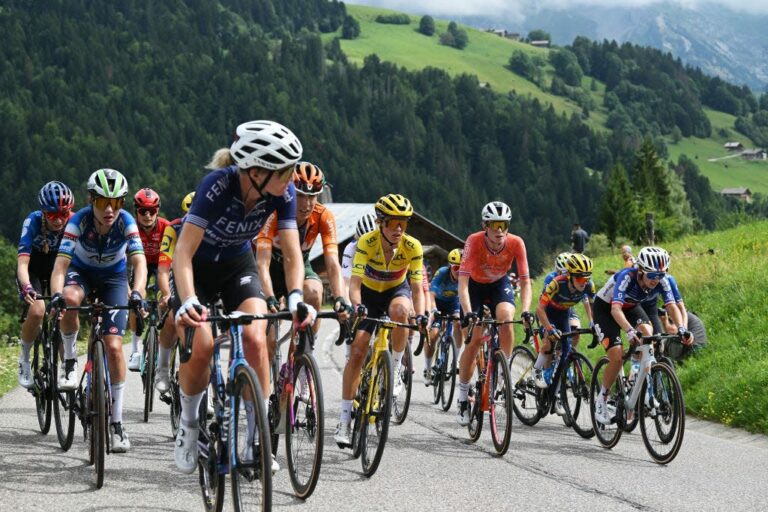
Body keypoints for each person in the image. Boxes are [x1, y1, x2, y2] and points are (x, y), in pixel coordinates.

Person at [172, 120, 314, 475]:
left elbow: (293, 253)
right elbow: (183, 253)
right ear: (256, 171)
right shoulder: (217, 187)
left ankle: (256, 438)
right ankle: (189, 425)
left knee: (256, 336)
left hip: (237, 265)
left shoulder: (283, 193)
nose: (291, 178)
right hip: (197, 269)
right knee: (202, 346)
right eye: (285, 171)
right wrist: (188, 300)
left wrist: (296, 297)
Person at [49, 169, 147, 452]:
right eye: (103, 202)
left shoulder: (126, 222)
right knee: (69, 298)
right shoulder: (78, 222)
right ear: (91, 200)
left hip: (114, 278)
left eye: (116, 203)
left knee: (114, 347)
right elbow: (60, 266)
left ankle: (116, 423)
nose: (109, 210)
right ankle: (70, 360)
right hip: (81, 273)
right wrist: (56, 295)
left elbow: (139, 263)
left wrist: (137, 292)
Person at [333, 194, 426, 447]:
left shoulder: (413, 246)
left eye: (403, 223)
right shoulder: (366, 242)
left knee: (401, 312)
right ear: (380, 222)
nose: (399, 229)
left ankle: (394, 370)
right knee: (357, 352)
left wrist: (420, 315)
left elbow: (417, 289)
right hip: (369, 295)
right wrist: (357, 306)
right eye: (393, 223)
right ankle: (344, 421)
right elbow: (354, 285)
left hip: (396, 291)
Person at [591, 246, 692, 424]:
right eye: (652, 275)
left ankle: (639, 380)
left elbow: (671, 306)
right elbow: (615, 310)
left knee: (648, 332)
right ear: (641, 270)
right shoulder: (626, 277)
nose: (656, 280)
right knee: (616, 356)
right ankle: (602, 399)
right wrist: (629, 330)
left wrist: (682, 328)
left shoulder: (662, 280)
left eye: (660, 275)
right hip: (606, 309)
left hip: (630, 306)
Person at [455, 201, 532, 425]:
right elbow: (462, 284)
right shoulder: (473, 241)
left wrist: (525, 310)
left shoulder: (516, 242)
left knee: (506, 318)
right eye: (494, 225)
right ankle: (462, 397)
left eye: (504, 225)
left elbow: (525, 282)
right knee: (474, 341)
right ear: (485, 226)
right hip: (474, 287)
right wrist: (469, 313)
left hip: (499, 283)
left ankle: (503, 370)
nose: (499, 230)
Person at [255, 162, 349, 336]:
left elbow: (332, 264)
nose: (306, 204)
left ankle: (302, 348)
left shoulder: (323, 216)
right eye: (300, 195)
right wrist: (269, 296)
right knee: (269, 339)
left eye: (312, 197)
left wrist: (340, 298)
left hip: (299, 266)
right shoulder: (274, 212)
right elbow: (262, 263)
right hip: (269, 270)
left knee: (314, 292)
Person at [16, 182, 75, 389]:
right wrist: (26, 287)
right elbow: (22, 264)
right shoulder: (32, 221)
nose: (58, 220)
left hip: (59, 268)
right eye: (52, 215)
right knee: (37, 311)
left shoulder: (74, 222)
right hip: (33, 269)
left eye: (63, 213)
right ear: (43, 212)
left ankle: (68, 369)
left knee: (64, 311)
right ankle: (24, 359)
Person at [533, 254, 596, 410]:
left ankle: (555, 393)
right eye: (580, 278)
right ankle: (537, 371)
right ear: (570, 276)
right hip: (547, 313)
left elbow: (593, 306)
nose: (584, 282)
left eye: (587, 278)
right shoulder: (556, 283)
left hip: (564, 314)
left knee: (566, 352)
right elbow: (540, 309)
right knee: (549, 342)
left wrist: (593, 324)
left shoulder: (589, 285)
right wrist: (549, 329)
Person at [153, 192, 194, 393]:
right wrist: (167, 294)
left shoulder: (212, 228)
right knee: (171, 315)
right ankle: (162, 368)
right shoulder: (174, 228)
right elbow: (163, 270)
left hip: (201, 278)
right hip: (175, 275)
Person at [127, 188, 170, 371]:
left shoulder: (166, 227)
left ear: (157, 211)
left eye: (151, 211)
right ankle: (135, 351)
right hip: (139, 264)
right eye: (143, 211)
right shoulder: (130, 228)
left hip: (161, 265)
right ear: (136, 211)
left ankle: (164, 343)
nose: (147, 215)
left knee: (166, 300)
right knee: (135, 299)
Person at [424, 248, 463, 384]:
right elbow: (431, 295)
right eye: (456, 268)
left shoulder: (466, 277)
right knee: (433, 335)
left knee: (458, 323)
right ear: (450, 266)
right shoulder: (442, 273)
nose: (459, 272)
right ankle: (427, 368)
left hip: (453, 303)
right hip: (438, 303)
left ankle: (456, 360)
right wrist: (433, 309)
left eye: (462, 268)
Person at [341, 211, 377, 299]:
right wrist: (346, 302)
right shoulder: (350, 248)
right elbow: (346, 282)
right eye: (362, 242)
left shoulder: (389, 248)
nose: (367, 247)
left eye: (372, 242)